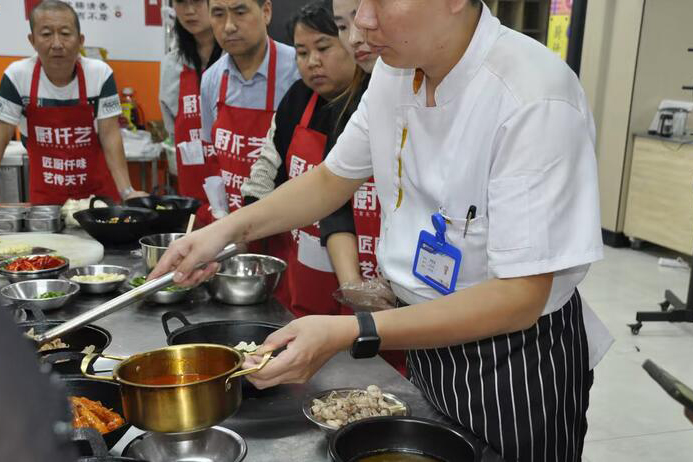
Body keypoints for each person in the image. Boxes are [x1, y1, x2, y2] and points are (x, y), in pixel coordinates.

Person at [151, 1, 613, 460]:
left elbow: (520, 296)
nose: (362, 25)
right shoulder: (397, 70)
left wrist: (350, 330)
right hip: (422, 337)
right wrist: (222, 233)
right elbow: (331, 180)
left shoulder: (534, 96)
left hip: (514, 361)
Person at [240, 2, 355, 318]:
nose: (312, 62)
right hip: (305, 272)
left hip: (364, 269)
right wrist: (240, 233)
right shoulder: (298, 99)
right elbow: (266, 170)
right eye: (302, 53)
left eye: (323, 48)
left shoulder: (370, 103)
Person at [0, 0, 145, 204]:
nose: (57, 44)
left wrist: (127, 191)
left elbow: (110, 134)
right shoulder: (17, 76)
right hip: (46, 200)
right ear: (32, 40)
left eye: (65, 33)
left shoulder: (99, 74)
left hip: (97, 199)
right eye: (46, 34)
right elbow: (2, 134)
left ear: (80, 40)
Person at [200, 0, 300, 219]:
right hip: (231, 221)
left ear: (266, 11)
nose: (228, 26)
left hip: (287, 220)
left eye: (240, 12)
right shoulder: (211, 79)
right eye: (218, 14)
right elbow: (211, 156)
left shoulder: (300, 70)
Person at [159, 0, 223, 203]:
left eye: (196, 2)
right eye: (181, 2)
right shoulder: (171, 64)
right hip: (193, 183)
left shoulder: (236, 59)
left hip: (234, 175)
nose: (189, 11)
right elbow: (172, 129)